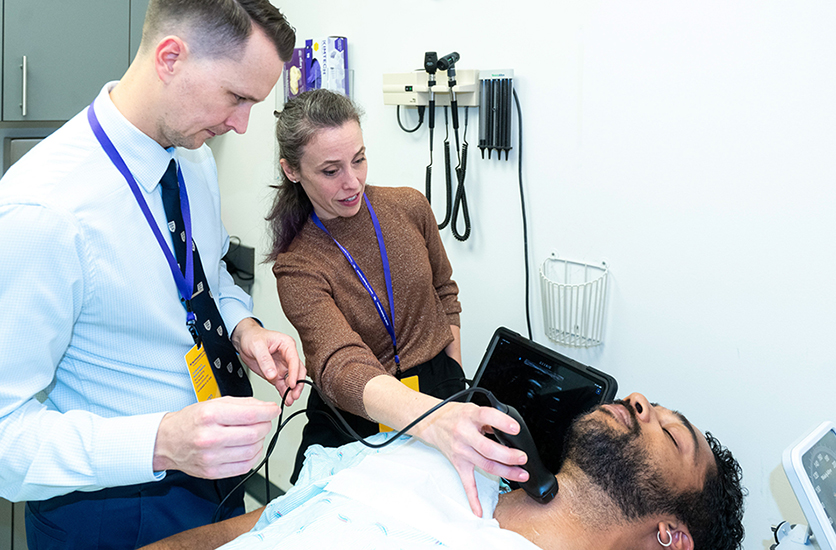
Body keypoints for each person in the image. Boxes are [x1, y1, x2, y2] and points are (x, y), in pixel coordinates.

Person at [0, 1, 306, 547]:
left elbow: (205, 274)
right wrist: (160, 442)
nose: (240, 124)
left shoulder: (192, 156)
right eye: (237, 97)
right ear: (171, 58)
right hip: (107, 505)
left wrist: (244, 329)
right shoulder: (42, 213)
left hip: (211, 469)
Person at [266, 88, 529, 517]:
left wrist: (453, 374)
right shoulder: (299, 265)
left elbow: (445, 291)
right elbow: (339, 364)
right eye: (331, 170)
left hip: (440, 389)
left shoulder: (408, 206)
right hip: (357, 412)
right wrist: (430, 417)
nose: (352, 182)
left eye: (359, 159)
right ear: (292, 171)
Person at [139, 392, 747, 550]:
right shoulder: (436, 455)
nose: (641, 403)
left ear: (670, 535)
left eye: (672, 433)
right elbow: (259, 527)